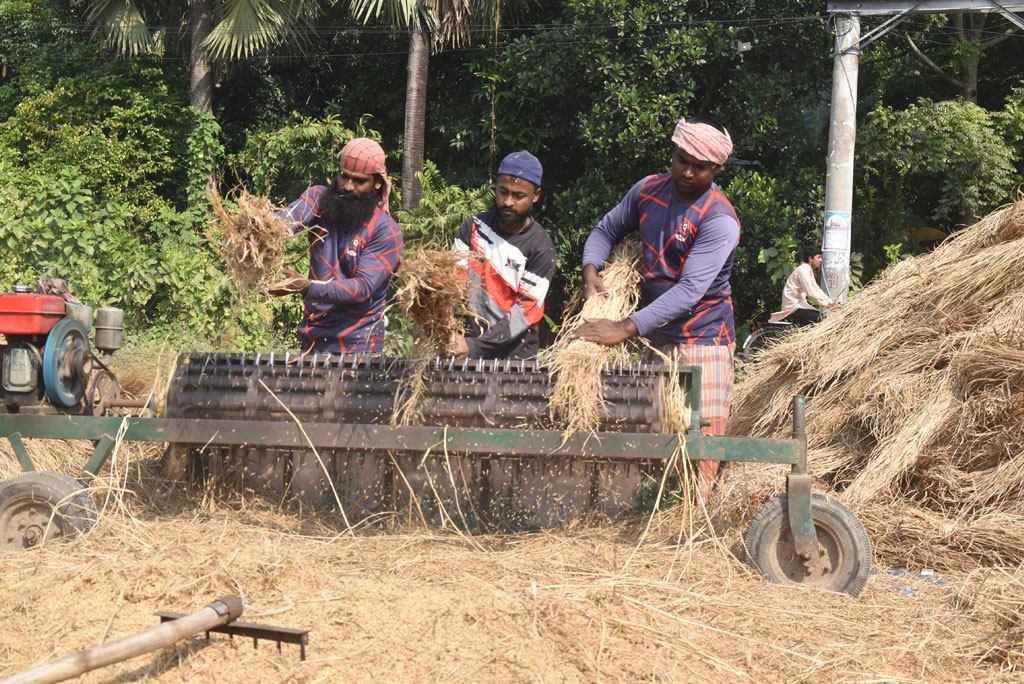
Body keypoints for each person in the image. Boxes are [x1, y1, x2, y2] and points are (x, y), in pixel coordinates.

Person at [569, 115, 740, 499]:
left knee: (702, 444)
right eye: (683, 160)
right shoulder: (647, 191)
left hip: (704, 340)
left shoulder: (718, 218)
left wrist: (624, 327)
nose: (689, 171)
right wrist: (591, 270)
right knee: (660, 438)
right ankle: (657, 515)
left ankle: (700, 519)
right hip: (656, 338)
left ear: (716, 168)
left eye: (701, 166)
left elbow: (690, 290)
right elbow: (605, 230)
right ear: (674, 153)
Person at [267, 138, 404, 354]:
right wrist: (264, 232)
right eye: (344, 176)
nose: (348, 186)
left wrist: (307, 287)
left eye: (359, 181)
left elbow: (361, 289)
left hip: (357, 345)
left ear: (377, 183)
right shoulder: (320, 199)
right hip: (313, 337)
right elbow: (289, 218)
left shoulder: (385, 231)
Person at [451, 151, 557, 360]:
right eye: (503, 192)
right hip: (469, 349)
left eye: (519, 196)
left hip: (516, 356)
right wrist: (444, 324)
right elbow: (454, 282)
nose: (508, 202)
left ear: (535, 195)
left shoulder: (541, 248)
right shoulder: (473, 228)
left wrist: (474, 346)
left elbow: (525, 312)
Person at [768, 245, 838, 325]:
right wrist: (826, 304)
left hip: (799, 305)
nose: (821, 260)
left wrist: (830, 301)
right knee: (821, 319)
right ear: (810, 259)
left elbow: (816, 289)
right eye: (818, 257)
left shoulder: (808, 270)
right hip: (793, 306)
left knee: (815, 322)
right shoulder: (804, 270)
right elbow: (810, 292)